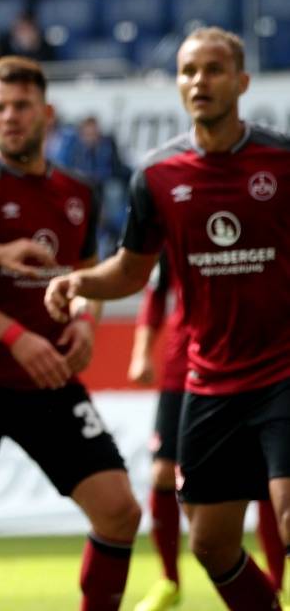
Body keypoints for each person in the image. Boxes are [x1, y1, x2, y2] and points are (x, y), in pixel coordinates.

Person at [46, 27, 290, 610]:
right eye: (188, 71)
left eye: (213, 69)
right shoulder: (157, 175)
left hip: (283, 373)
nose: (200, 81)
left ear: (242, 81)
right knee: (210, 543)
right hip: (210, 384)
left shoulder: (281, 161)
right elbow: (132, 271)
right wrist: (79, 279)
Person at [0, 56, 141, 611]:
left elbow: (88, 276)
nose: (11, 117)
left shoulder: (81, 192)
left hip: (47, 378)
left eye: (22, 106)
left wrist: (86, 323)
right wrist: (18, 336)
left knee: (121, 511)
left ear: (46, 113)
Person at [128, 258, 286, 611]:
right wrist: (142, 351)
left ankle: (276, 584)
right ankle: (169, 580)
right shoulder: (177, 216)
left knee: (269, 481)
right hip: (183, 367)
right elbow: (152, 288)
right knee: (162, 474)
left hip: (253, 365)